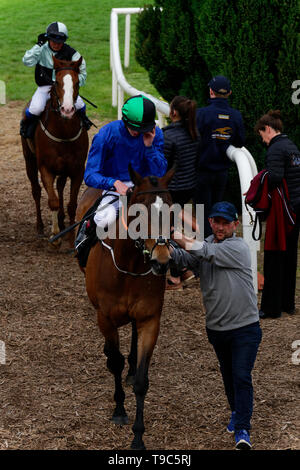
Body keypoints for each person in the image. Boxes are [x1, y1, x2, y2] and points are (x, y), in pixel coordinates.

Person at [169, 201, 262, 450]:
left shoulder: (238, 248)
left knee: (241, 375)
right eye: (216, 222)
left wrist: (173, 234)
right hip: (217, 329)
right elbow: (184, 258)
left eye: (225, 223)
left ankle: (243, 428)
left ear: (234, 224)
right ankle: (236, 412)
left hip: (245, 328)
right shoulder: (206, 245)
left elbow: (203, 251)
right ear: (210, 222)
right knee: (229, 375)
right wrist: (160, 246)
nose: (220, 227)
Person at [75, 94, 167, 265]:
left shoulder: (155, 134)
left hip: (147, 187)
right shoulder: (105, 135)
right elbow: (90, 175)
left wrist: (149, 147)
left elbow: (160, 172)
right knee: (104, 218)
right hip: (115, 187)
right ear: (125, 121)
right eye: (136, 130)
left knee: (168, 219)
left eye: (143, 129)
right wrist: (114, 183)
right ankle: (84, 243)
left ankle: (175, 263)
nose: (140, 133)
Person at [254, 110, 300, 319]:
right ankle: (287, 303)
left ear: (268, 129)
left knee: (273, 256)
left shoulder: (275, 148)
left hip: (282, 213)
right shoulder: (292, 146)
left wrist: (261, 177)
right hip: (295, 209)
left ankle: (271, 308)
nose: (262, 140)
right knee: (290, 257)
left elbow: (275, 176)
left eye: (261, 134)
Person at [20, 21, 92, 138]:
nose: (56, 44)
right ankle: (25, 125)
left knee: (80, 105)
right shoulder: (41, 49)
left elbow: (83, 72)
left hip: (65, 89)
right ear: (48, 38)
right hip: (45, 87)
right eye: (53, 41)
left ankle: (84, 122)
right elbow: (26, 61)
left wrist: (71, 83)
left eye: (60, 42)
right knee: (36, 108)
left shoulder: (73, 54)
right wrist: (38, 45)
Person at [194, 75, 245, 237]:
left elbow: (193, 140)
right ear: (229, 93)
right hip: (222, 172)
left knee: (203, 213)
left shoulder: (201, 114)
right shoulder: (236, 116)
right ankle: (216, 245)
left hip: (201, 172)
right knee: (217, 212)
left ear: (211, 92)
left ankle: (207, 249)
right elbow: (239, 141)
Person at [163, 96, 201, 289]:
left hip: (172, 190)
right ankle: (183, 269)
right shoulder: (194, 132)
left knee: (165, 230)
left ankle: (180, 273)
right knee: (172, 227)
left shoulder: (168, 136)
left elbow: (163, 166)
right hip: (188, 187)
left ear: (174, 112)